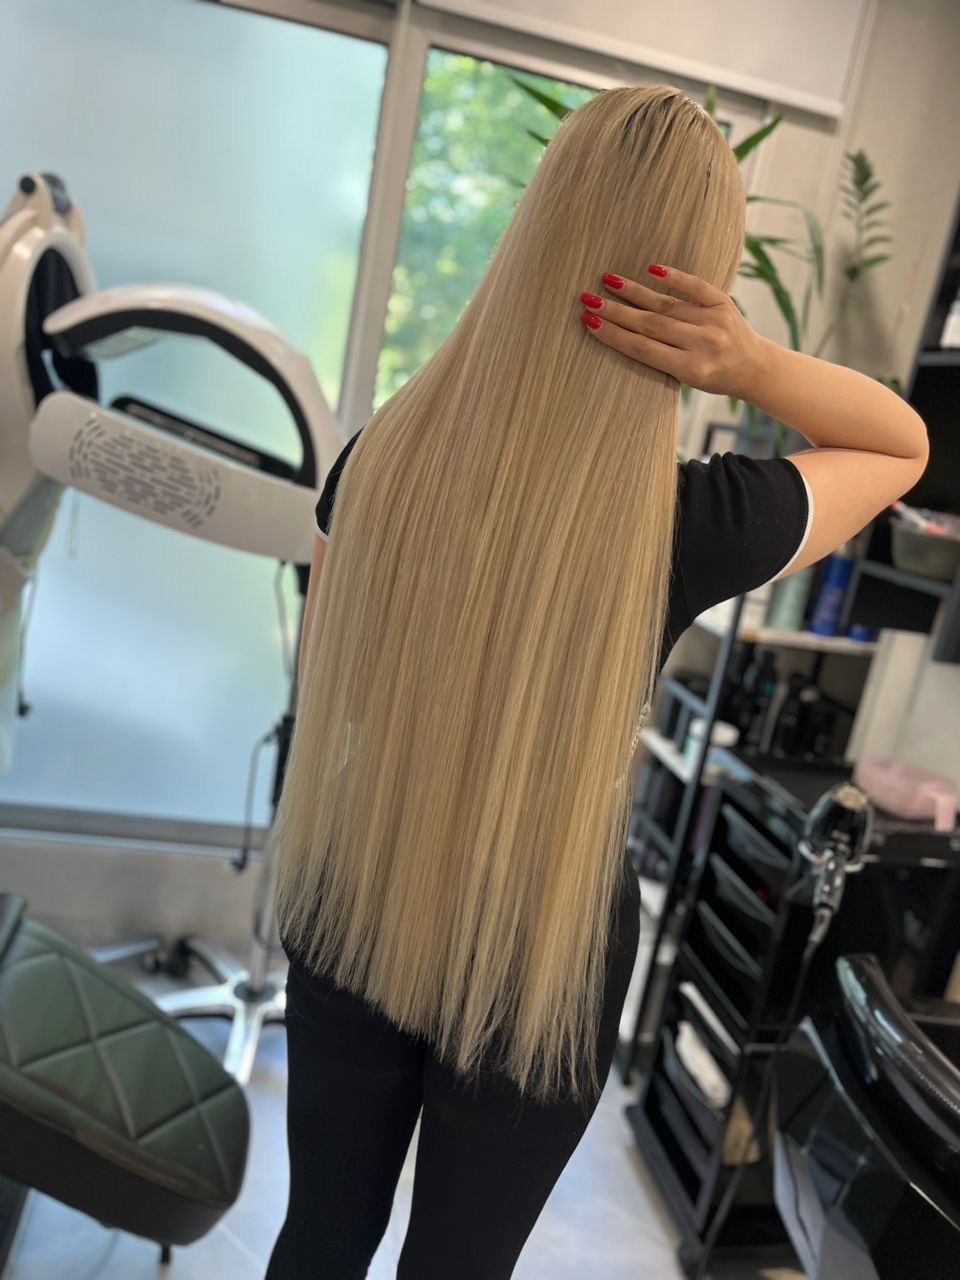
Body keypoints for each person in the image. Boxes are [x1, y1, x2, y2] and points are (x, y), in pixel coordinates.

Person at [265, 86, 927, 1279]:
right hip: (546, 937)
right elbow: (900, 444)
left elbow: (337, 681)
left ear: (537, 232)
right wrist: (748, 359)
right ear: (699, 284)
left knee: (319, 1234)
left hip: (356, 874)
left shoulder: (378, 464)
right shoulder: (686, 523)